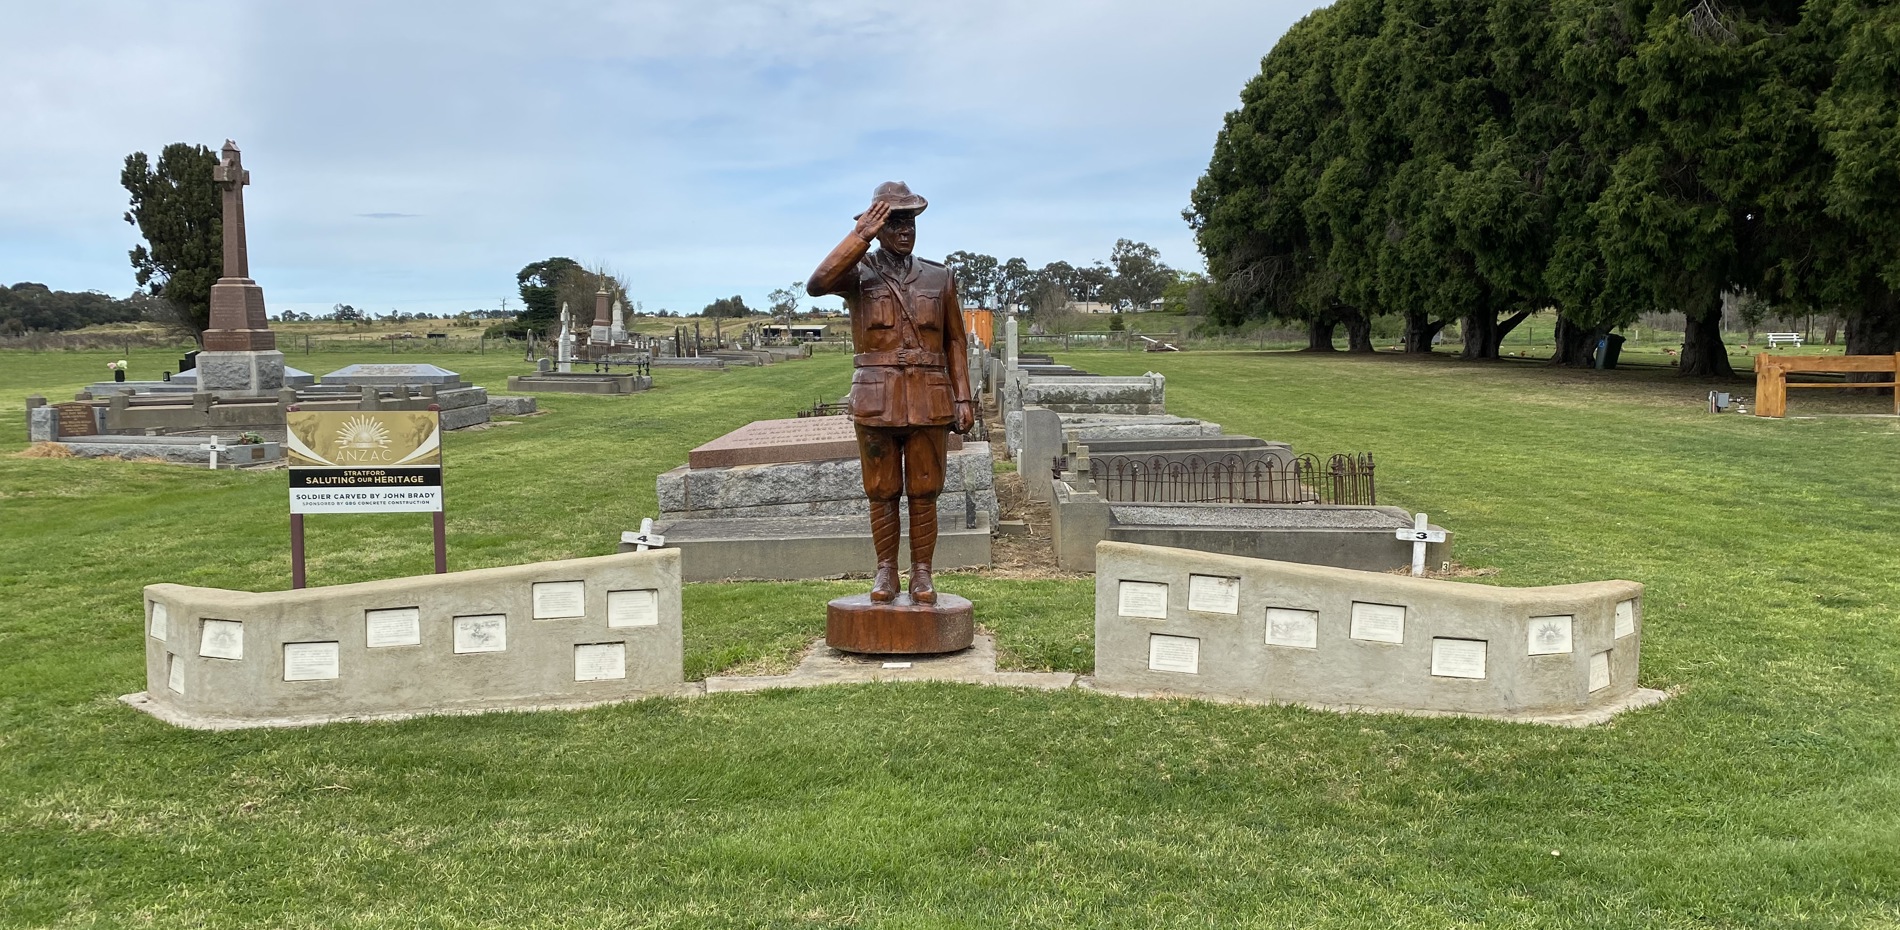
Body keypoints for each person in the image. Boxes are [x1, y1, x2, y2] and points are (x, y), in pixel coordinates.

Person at [807, 181, 975, 604]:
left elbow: (955, 340)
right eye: (894, 222)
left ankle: (921, 574)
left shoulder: (939, 277)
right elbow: (817, 283)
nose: (905, 230)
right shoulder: (857, 274)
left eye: (910, 222)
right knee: (881, 489)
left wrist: (964, 396)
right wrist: (860, 235)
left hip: (929, 397)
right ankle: (886, 572)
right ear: (878, 226)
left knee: (924, 487)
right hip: (877, 399)